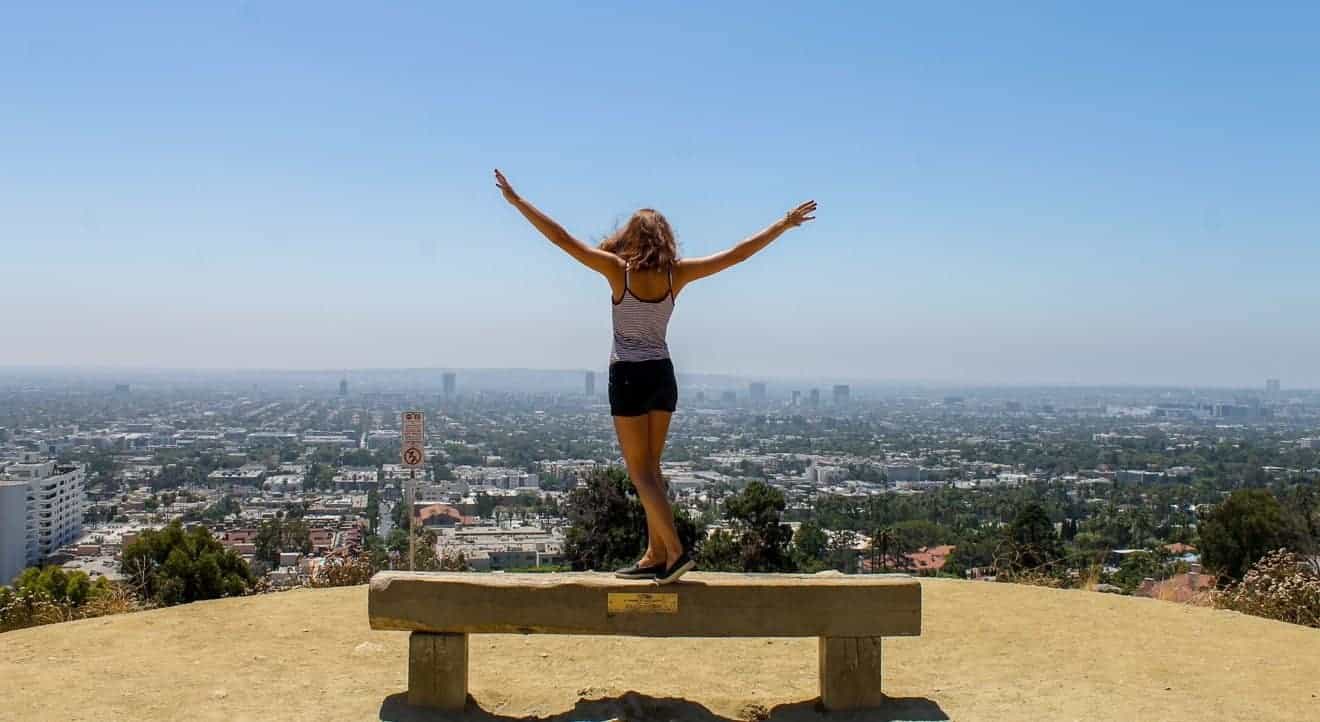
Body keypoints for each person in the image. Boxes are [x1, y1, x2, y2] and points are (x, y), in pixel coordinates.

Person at [494, 169, 816, 583]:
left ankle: (676, 552)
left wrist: (519, 203)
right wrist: (782, 225)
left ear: (632, 235)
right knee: (653, 469)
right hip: (663, 375)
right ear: (664, 237)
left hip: (628, 375)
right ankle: (655, 554)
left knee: (640, 471)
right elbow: (737, 254)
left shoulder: (618, 271)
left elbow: (561, 239)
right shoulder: (675, 275)